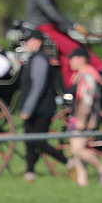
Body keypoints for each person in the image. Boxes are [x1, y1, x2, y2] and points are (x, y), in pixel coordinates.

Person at [18, 29, 71, 182]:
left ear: (37, 42)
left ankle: (68, 162)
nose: (26, 44)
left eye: (29, 41)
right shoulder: (36, 58)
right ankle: (29, 172)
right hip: (39, 108)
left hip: (42, 109)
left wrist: (28, 109)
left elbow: (38, 87)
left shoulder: (39, 60)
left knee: (38, 141)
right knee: (29, 140)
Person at [68, 46, 102, 187]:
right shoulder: (85, 74)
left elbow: (87, 99)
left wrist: (81, 119)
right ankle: (83, 182)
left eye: (73, 59)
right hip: (81, 118)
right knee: (78, 151)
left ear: (82, 59)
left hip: (84, 120)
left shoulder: (87, 75)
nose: (70, 62)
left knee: (77, 149)